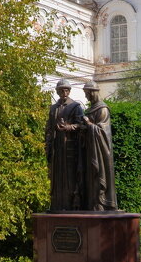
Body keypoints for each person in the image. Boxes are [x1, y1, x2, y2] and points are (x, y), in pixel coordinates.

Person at [45, 78, 84, 211]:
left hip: (70, 148)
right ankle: (57, 204)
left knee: (70, 177)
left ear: (69, 91)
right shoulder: (53, 108)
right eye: (61, 90)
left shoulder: (75, 106)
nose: (64, 92)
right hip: (57, 148)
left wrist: (69, 127)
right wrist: (48, 144)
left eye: (66, 90)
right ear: (57, 91)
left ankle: (71, 204)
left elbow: (81, 125)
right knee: (56, 178)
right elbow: (49, 128)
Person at [80, 79, 117, 211]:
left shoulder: (102, 110)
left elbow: (101, 131)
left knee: (99, 177)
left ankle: (102, 204)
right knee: (90, 179)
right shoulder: (90, 110)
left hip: (100, 153)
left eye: (87, 93)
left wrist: (89, 124)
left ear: (93, 93)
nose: (85, 96)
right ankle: (92, 204)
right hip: (91, 151)